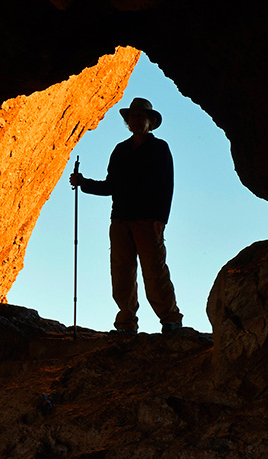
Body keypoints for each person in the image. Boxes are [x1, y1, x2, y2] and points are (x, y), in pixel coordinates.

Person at [70, 97, 183, 335]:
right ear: (128, 122)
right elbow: (111, 185)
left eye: (141, 117)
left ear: (150, 122)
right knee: (121, 271)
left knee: (154, 270)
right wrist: (83, 184)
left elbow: (167, 185)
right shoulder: (120, 151)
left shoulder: (159, 148)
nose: (136, 120)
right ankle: (126, 322)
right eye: (132, 117)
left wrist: (161, 217)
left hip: (147, 219)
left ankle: (170, 319)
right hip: (120, 219)